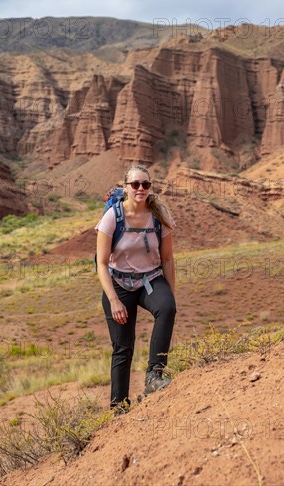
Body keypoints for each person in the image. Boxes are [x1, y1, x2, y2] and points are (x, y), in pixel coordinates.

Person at [94, 163, 177, 414]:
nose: (141, 189)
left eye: (146, 184)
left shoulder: (159, 215)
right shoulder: (113, 217)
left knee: (167, 308)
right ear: (125, 187)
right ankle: (119, 406)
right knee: (123, 347)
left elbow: (168, 259)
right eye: (135, 184)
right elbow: (101, 263)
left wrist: (170, 295)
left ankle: (155, 375)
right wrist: (114, 300)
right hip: (118, 283)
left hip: (149, 279)